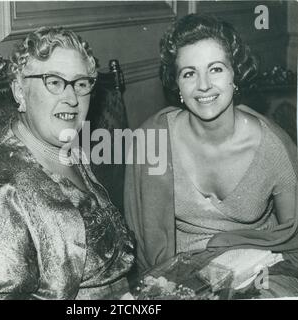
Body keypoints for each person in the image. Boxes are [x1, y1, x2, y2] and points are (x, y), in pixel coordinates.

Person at [0, 26, 134, 300]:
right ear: (19, 91)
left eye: (80, 83)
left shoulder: (68, 148)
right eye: (54, 82)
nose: (71, 98)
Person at [124, 14, 298, 298]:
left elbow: (294, 242)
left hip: (258, 273)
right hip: (177, 279)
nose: (203, 85)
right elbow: (141, 243)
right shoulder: (151, 140)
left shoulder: (274, 148)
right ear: (177, 85)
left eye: (215, 69)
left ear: (235, 74)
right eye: (189, 73)